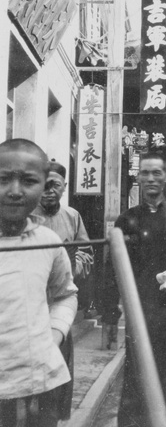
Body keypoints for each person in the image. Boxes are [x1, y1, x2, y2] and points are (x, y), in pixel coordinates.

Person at [102, 152, 166, 427]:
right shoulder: (126, 220)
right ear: (137, 178)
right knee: (137, 385)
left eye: (156, 173)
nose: (150, 178)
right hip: (141, 314)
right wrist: (110, 315)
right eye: (145, 173)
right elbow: (112, 269)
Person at [0, 139, 77, 427]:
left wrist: (55, 334)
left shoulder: (48, 242)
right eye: (4, 179)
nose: (15, 191)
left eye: (29, 181)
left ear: (44, 185)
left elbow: (65, 294)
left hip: (39, 382)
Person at [33, 160, 93, 420]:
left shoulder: (72, 216)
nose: (49, 191)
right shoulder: (24, 215)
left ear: (64, 187)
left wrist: (71, 267)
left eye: (55, 185)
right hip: (31, 301)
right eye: (44, 185)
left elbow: (86, 251)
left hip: (59, 303)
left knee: (58, 366)